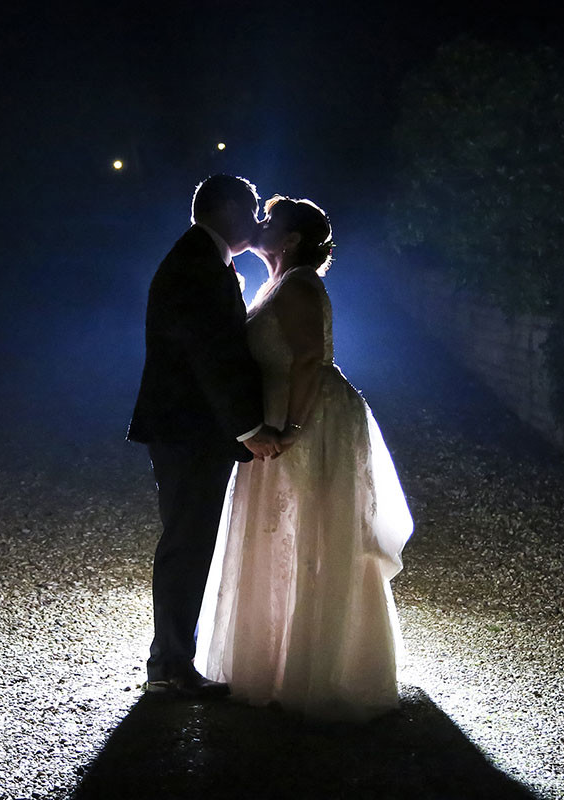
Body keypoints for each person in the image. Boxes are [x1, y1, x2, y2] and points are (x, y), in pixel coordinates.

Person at [195, 195, 413, 722]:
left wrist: (291, 429)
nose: (259, 224)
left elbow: (310, 358)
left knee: (314, 530)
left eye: (269, 219)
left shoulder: (298, 285)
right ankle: (274, 659)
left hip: (310, 416)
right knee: (278, 529)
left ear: (291, 239)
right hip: (278, 411)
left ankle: (321, 667)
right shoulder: (276, 283)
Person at [128, 175, 282, 698]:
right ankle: (170, 666)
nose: (258, 219)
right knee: (187, 541)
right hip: (187, 428)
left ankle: (172, 662)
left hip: (187, 427)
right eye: (252, 209)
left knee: (189, 540)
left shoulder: (207, 258)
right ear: (225, 208)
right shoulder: (197, 263)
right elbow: (209, 355)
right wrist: (249, 427)